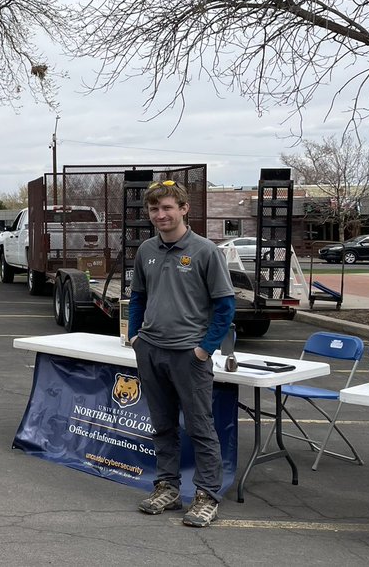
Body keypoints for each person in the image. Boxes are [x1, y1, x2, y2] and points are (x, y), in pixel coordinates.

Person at [127, 179, 235, 528]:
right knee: (162, 425)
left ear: (184, 209)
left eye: (167, 207)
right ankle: (168, 487)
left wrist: (205, 349)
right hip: (152, 350)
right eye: (154, 209)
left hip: (188, 356)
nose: (160, 214)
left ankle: (206, 496)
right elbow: (138, 297)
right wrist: (135, 336)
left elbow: (225, 306)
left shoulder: (205, 251)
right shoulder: (146, 250)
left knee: (200, 428)